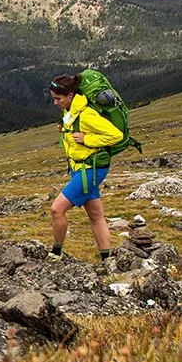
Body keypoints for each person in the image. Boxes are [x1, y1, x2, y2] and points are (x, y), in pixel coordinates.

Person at [48, 74, 123, 262]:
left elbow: (116, 135)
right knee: (96, 215)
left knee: (57, 210)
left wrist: (87, 139)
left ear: (71, 95)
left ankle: (56, 253)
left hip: (91, 169)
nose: (55, 103)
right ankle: (107, 259)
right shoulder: (70, 111)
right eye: (53, 98)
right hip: (81, 168)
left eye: (58, 98)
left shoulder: (87, 114)